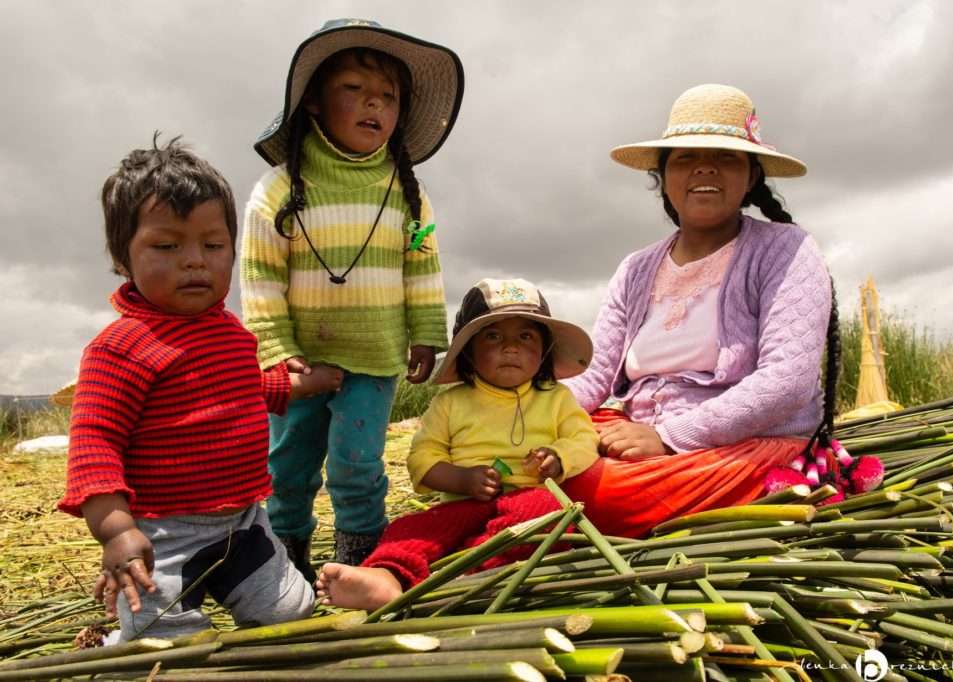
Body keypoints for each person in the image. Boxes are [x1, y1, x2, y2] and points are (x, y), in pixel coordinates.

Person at [59, 137, 343, 641]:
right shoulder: (121, 348)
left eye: (212, 246)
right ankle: (110, 643)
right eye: (167, 246)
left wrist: (301, 385)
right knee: (165, 641)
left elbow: (243, 391)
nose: (195, 261)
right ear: (123, 258)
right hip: (163, 535)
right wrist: (117, 530)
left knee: (291, 615)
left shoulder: (231, 332)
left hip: (245, 520)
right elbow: (94, 445)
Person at [560, 83, 874, 538]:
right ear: (663, 177)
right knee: (538, 453)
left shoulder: (786, 250)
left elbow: (787, 383)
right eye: (685, 157)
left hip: (745, 442)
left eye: (726, 157)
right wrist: (524, 411)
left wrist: (669, 439)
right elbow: (596, 376)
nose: (704, 166)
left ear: (751, 178)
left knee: (598, 494)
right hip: (639, 431)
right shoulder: (635, 268)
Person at [240, 19, 465, 575]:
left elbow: (422, 266)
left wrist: (427, 334)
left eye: (388, 96)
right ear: (313, 102)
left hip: (376, 354)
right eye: (355, 90)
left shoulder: (406, 193)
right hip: (299, 362)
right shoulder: (278, 190)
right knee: (287, 464)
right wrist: (275, 346)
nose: (375, 105)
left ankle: (361, 562)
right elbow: (260, 275)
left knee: (357, 465)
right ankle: (284, 561)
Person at [315, 278, 599, 610]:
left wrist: (559, 456)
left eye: (526, 336)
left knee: (543, 514)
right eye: (493, 336)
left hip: (529, 500)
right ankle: (387, 576)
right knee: (413, 528)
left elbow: (584, 439)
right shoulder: (451, 403)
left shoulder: (557, 398)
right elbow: (422, 456)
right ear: (468, 352)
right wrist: (461, 478)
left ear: (545, 351)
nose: (511, 348)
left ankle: (465, 578)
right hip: (463, 504)